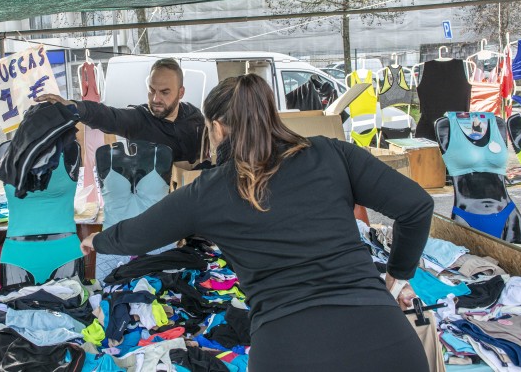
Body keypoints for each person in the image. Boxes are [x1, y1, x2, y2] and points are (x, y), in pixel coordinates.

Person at [81, 74, 434, 371]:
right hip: (386, 338)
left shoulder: (208, 190)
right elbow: (416, 206)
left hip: (290, 350)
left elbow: (138, 233)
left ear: (217, 127)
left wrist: (97, 242)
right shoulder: (332, 153)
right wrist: (396, 275)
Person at [37, 58, 205, 162]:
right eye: (152, 90)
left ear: (181, 92)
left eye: (164, 92)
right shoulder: (139, 120)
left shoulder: (194, 117)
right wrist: (74, 107)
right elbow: (108, 116)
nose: (156, 99)